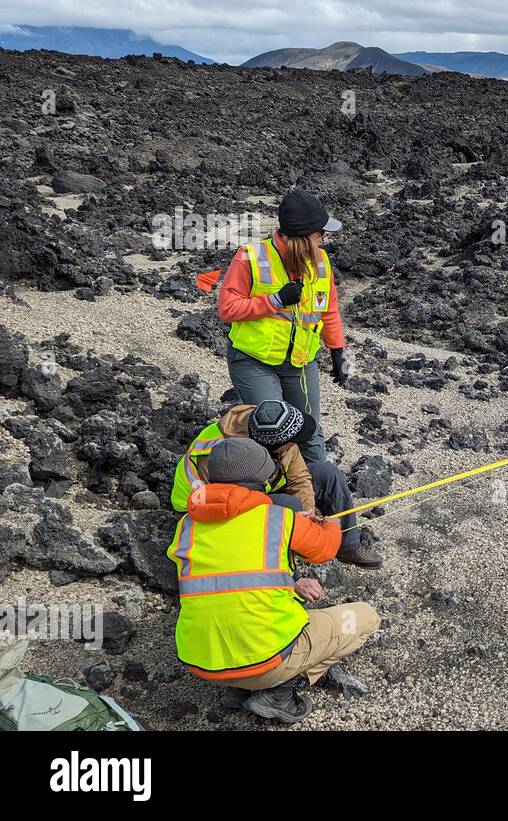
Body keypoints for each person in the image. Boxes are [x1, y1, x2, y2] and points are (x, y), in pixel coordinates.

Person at [167, 438, 379, 724]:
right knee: (366, 617)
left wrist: (293, 581)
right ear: (261, 478)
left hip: (202, 663)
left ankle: (241, 689)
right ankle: (278, 689)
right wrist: (325, 521)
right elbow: (325, 549)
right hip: (264, 660)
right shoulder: (277, 518)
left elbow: (232, 574)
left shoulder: (186, 527)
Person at [217, 188, 354, 464]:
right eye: (320, 233)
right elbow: (227, 309)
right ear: (304, 238)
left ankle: (319, 496)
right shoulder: (250, 257)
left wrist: (338, 352)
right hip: (253, 361)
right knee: (272, 432)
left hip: (301, 363)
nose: (325, 238)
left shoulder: (322, 263)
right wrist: (275, 300)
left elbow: (328, 310)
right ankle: (273, 498)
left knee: (310, 431)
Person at [170, 399, 382, 568]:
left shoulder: (271, 423)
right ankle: (284, 557)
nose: (297, 443)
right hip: (204, 508)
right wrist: (294, 520)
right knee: (288, 505)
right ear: (273, 448)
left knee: (328, 473)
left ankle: (348, 545)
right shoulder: (226, 454)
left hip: (258, 487)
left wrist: (308, 516)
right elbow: (229, 505)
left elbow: (300, 478)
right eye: (293, 441)